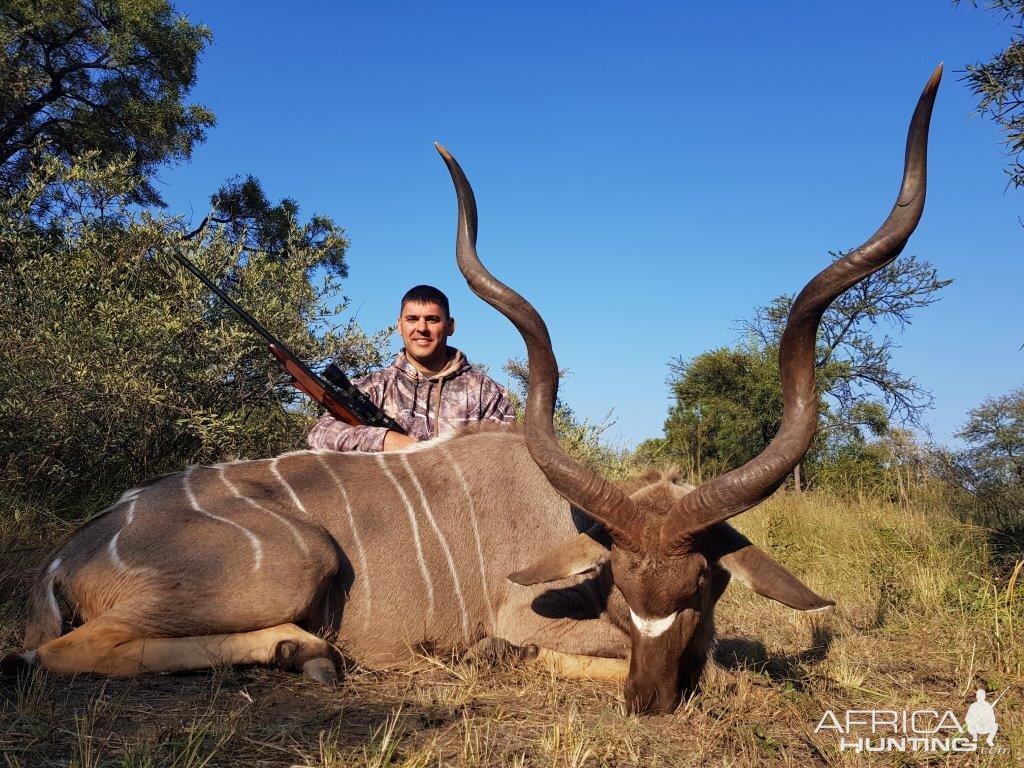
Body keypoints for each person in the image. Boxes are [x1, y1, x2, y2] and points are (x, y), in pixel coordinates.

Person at [307, 284, 516, 452]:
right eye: (412, 319)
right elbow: (320, 433)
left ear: (450, 326)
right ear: (399, 326)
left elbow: (505, 455)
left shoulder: (486, 394)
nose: (422, 328)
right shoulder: (375, 387)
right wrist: (385, 440)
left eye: (432, 319)